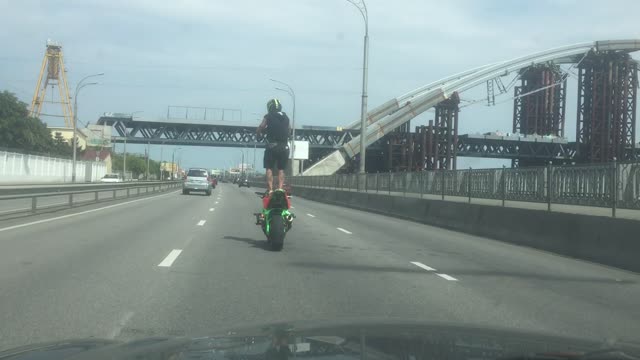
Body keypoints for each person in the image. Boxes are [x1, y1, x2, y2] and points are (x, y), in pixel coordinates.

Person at [257, 98, 290, 195]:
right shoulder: (286, 117)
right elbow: (289, 130)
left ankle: (270, 189)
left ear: (269, 107)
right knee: (281, 169)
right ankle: (280, 189)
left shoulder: (268, 116)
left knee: (269, 168)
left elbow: (262, 127)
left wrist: (258, 133)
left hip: (272, 146)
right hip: (284, 147)